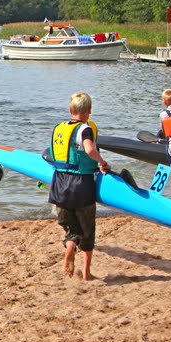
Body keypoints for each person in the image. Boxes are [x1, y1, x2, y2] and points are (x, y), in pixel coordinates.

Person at [48, 91, 110, 281]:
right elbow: (89, 149)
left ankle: (69, 247)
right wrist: (102, 162)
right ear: (89, 111)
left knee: (71, 229)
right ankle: (86, 273)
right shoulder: (85, 129)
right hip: (81, 185)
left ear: (70, 109)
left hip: (58, 184)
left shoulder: (59, 128)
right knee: (88, 230)